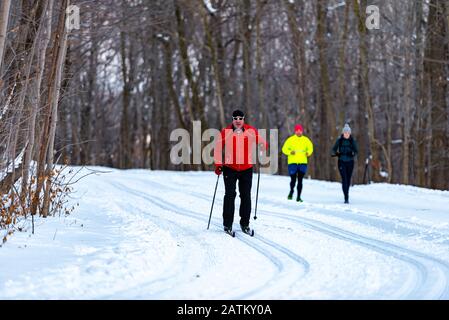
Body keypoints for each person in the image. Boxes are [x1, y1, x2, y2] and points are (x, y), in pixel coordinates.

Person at [214, 110, 268, 234]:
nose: (238, 121)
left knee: (245, 196)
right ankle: (227, 224)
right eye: (235, 118)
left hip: (246, 169)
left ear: (243, 119)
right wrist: (218, 165)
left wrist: (262, 146)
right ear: (232, 120)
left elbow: (263, 143)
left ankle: (245, 224)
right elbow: (217, 149)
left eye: (240, 118)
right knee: (229, 195)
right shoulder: (226, 132)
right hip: (229, 168)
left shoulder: (251, 131)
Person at [281, 124, 313, 202]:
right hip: (292, 162)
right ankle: (291, 191)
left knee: (300, 180)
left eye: (300, 130)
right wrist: (290, 152)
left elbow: (310, 148)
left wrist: (308, 153)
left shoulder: (306, 140)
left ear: (302, 131)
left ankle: (298, 197)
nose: (299, 132)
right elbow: (284, 149)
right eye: (297, 130)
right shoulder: (290, 140)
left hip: (302, 162)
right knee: (293, 179)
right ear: (295, 131)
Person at [331, 124, 358, 204]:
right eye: (345, 132)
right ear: (343, 133)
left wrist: (352, 153)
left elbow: (356, 151)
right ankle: (346, 197)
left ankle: (347, 194)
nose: (346, 134)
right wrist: (337, 154)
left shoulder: (352, 141)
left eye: (348, 132)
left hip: (350, 162)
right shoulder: (339, 140)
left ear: (350, 133)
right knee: (344, 179)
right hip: (341, 162)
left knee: (348, 179)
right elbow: (333, 150)